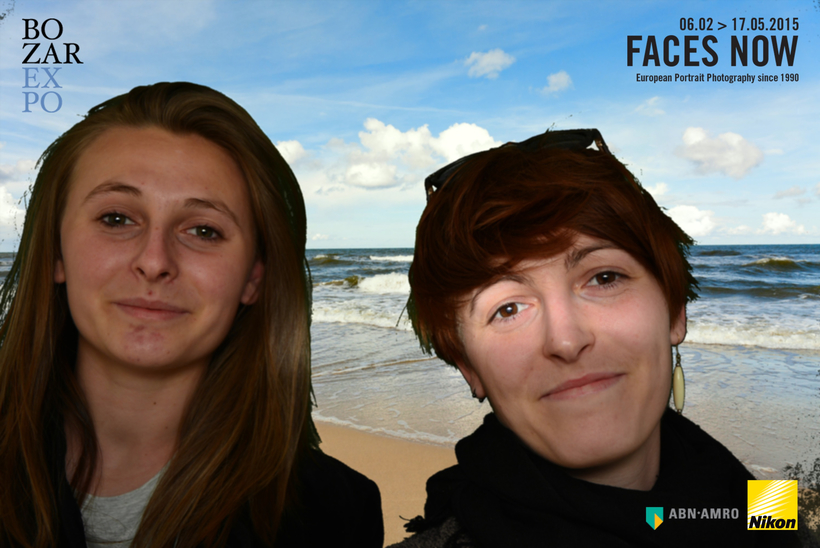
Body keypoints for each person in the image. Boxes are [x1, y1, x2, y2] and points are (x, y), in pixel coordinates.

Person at [0, 82, 383, 548]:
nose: (155, 261)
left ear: (253, 278)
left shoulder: (334, 514)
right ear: (56, 252)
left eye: (203, 230)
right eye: (116, 218)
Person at [391, 129, 801, 547]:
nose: (566, 341)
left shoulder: (769, 508)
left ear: (675, 310)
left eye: (604, 278)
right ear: (468, 367)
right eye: (508, 308)